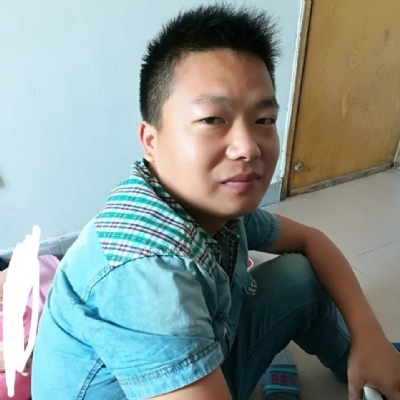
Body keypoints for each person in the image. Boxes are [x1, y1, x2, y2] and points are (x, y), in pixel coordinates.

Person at [32, 4, 400, 400]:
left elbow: (312, 240)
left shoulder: (207, 202)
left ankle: (373, 370)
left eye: (264, 120)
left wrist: (371, 337)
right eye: (212, 120)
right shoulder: (149, 277)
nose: (247, 147)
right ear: (151, 141)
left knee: (300, 278)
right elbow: (159, 286)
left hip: (199, 349)